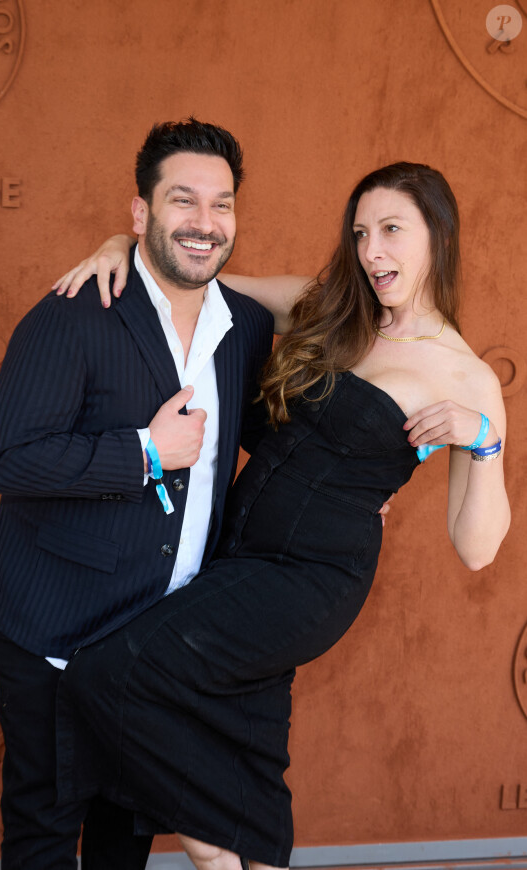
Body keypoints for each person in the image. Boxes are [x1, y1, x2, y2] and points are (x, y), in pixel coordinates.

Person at [52, 162, 510, 870]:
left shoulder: (465, 375)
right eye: (361, 232)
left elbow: (476, 548)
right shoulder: (323, 306)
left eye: (392, 230)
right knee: (241, 742)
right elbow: (196, 277)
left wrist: (484, 440)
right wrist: (125, 244)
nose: (371, 251)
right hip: (233, 553)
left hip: (311, 579)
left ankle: (216, 856)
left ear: (438, 238)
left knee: (109, 678)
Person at [0, 119, 275, 870]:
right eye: (183, 201)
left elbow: (273, 435)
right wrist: (145, 452)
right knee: (44, 837)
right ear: (140, 213)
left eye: (223, 204)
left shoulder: (245, 328)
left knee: (126, 843)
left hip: (156, 651)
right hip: (56, 638)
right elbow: (9, 458)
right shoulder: (71, 316)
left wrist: (352, 490)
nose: (205, 223)